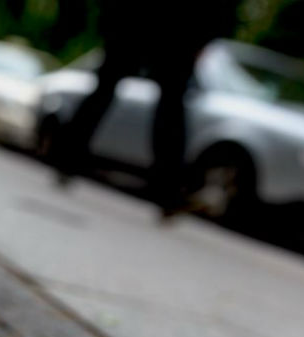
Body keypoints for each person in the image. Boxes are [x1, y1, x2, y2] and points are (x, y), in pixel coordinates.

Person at [54, 1, 238, 217]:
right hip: (151, 21)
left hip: (169, 25)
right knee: (152, 101)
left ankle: (169, 189)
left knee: (165, 106)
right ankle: (68, 159)